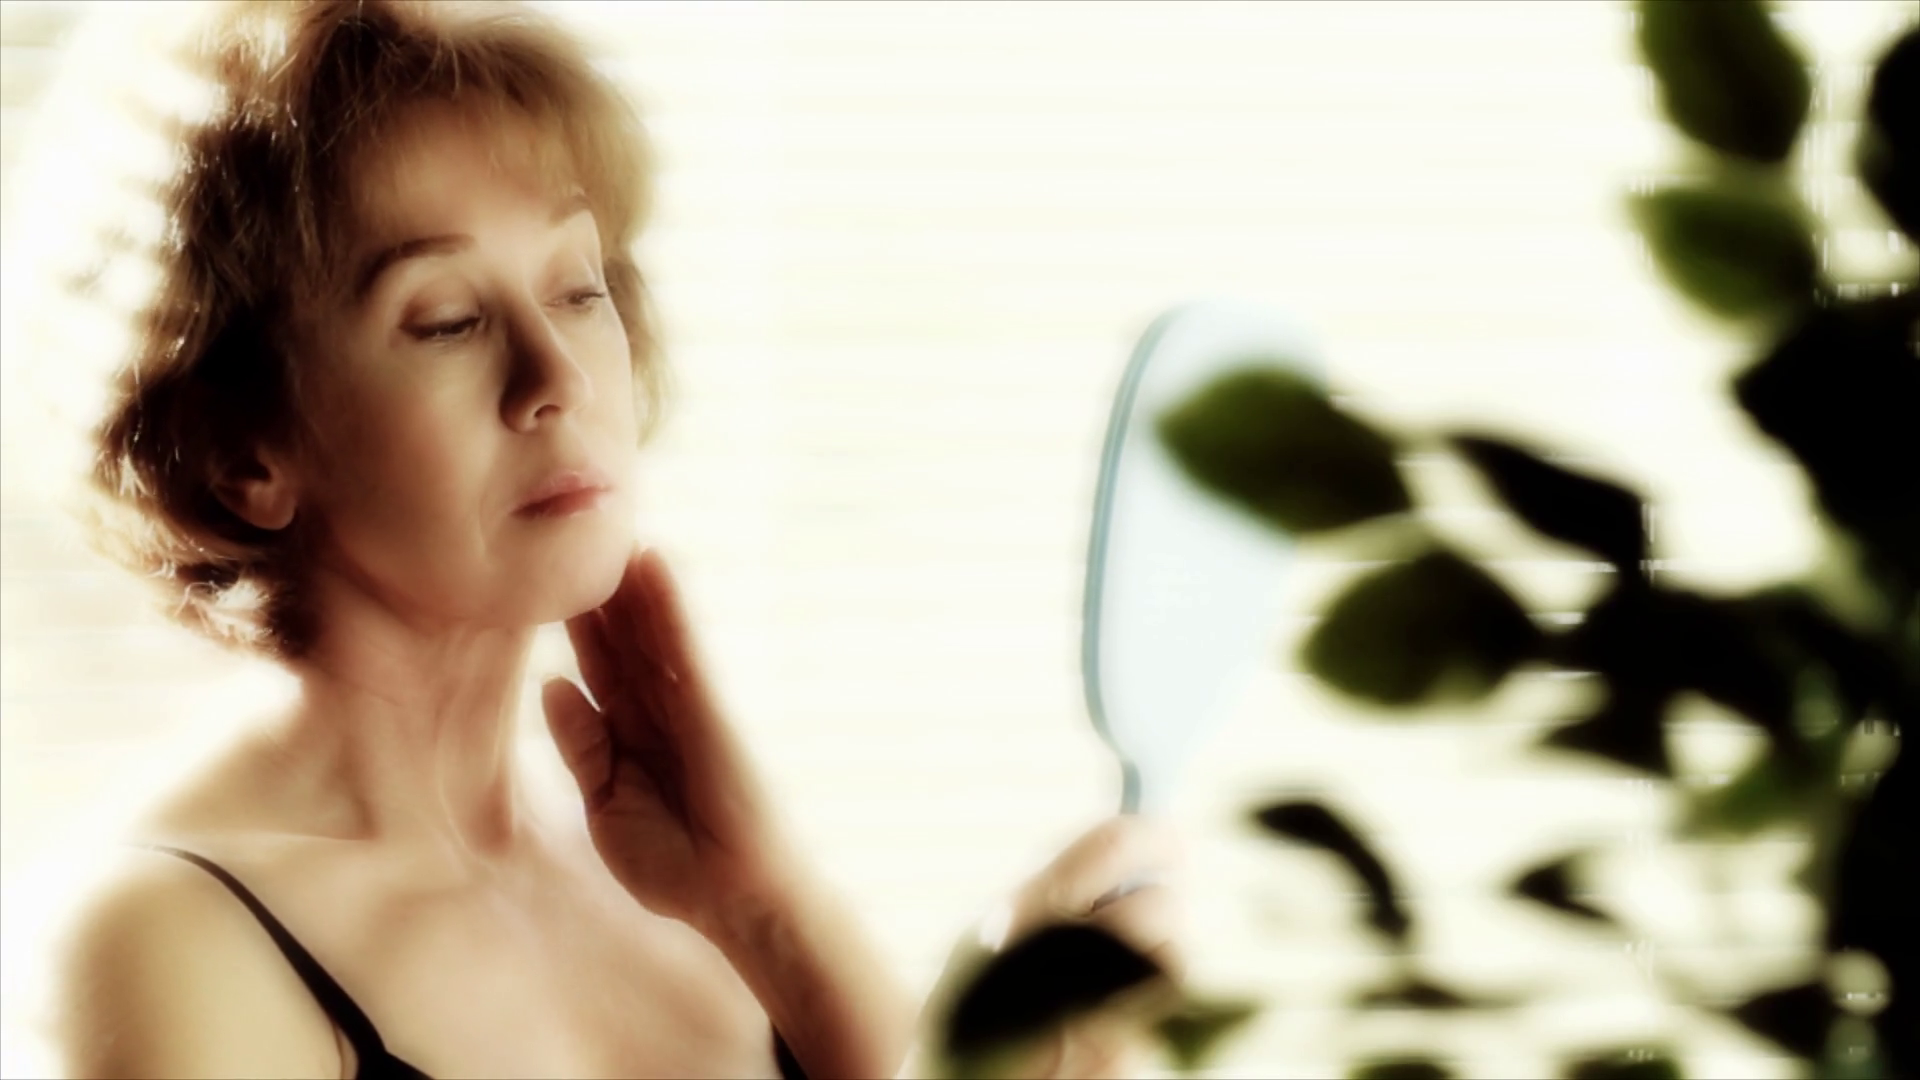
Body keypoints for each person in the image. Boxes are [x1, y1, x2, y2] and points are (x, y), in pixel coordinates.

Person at [38, 2, 1184, 1077]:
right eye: (447, 319)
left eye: (579, 290)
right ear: (240, 452)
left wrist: (773, 911)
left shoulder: (674, 863)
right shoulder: (167, 939)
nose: (557, 375)